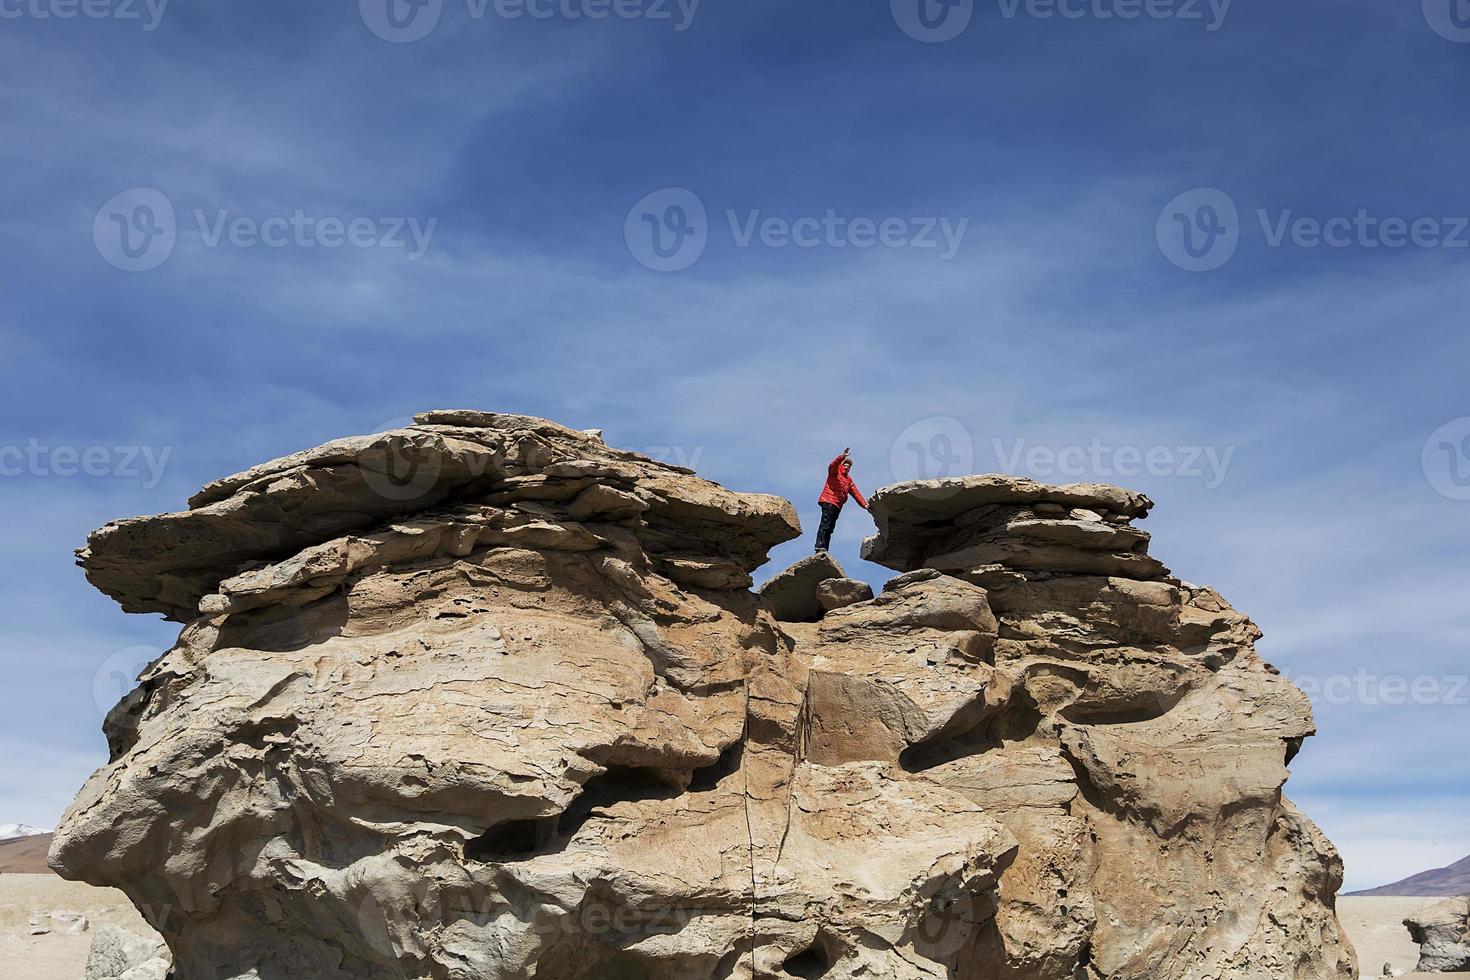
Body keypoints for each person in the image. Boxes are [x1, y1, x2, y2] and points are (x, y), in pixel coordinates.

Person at [815, 447, 868, 552]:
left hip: (837, 505)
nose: (847, 466)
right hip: (828, 500)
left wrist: (865, 504)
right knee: (825, 524)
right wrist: (842, 456)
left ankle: (824, 549)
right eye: (845, 464)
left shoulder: (848, 479)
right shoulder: (834, 472)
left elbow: (856, 493)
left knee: (830, 528)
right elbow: (832, 465)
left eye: (849, 465)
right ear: (841, 464)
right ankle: (819, 546)